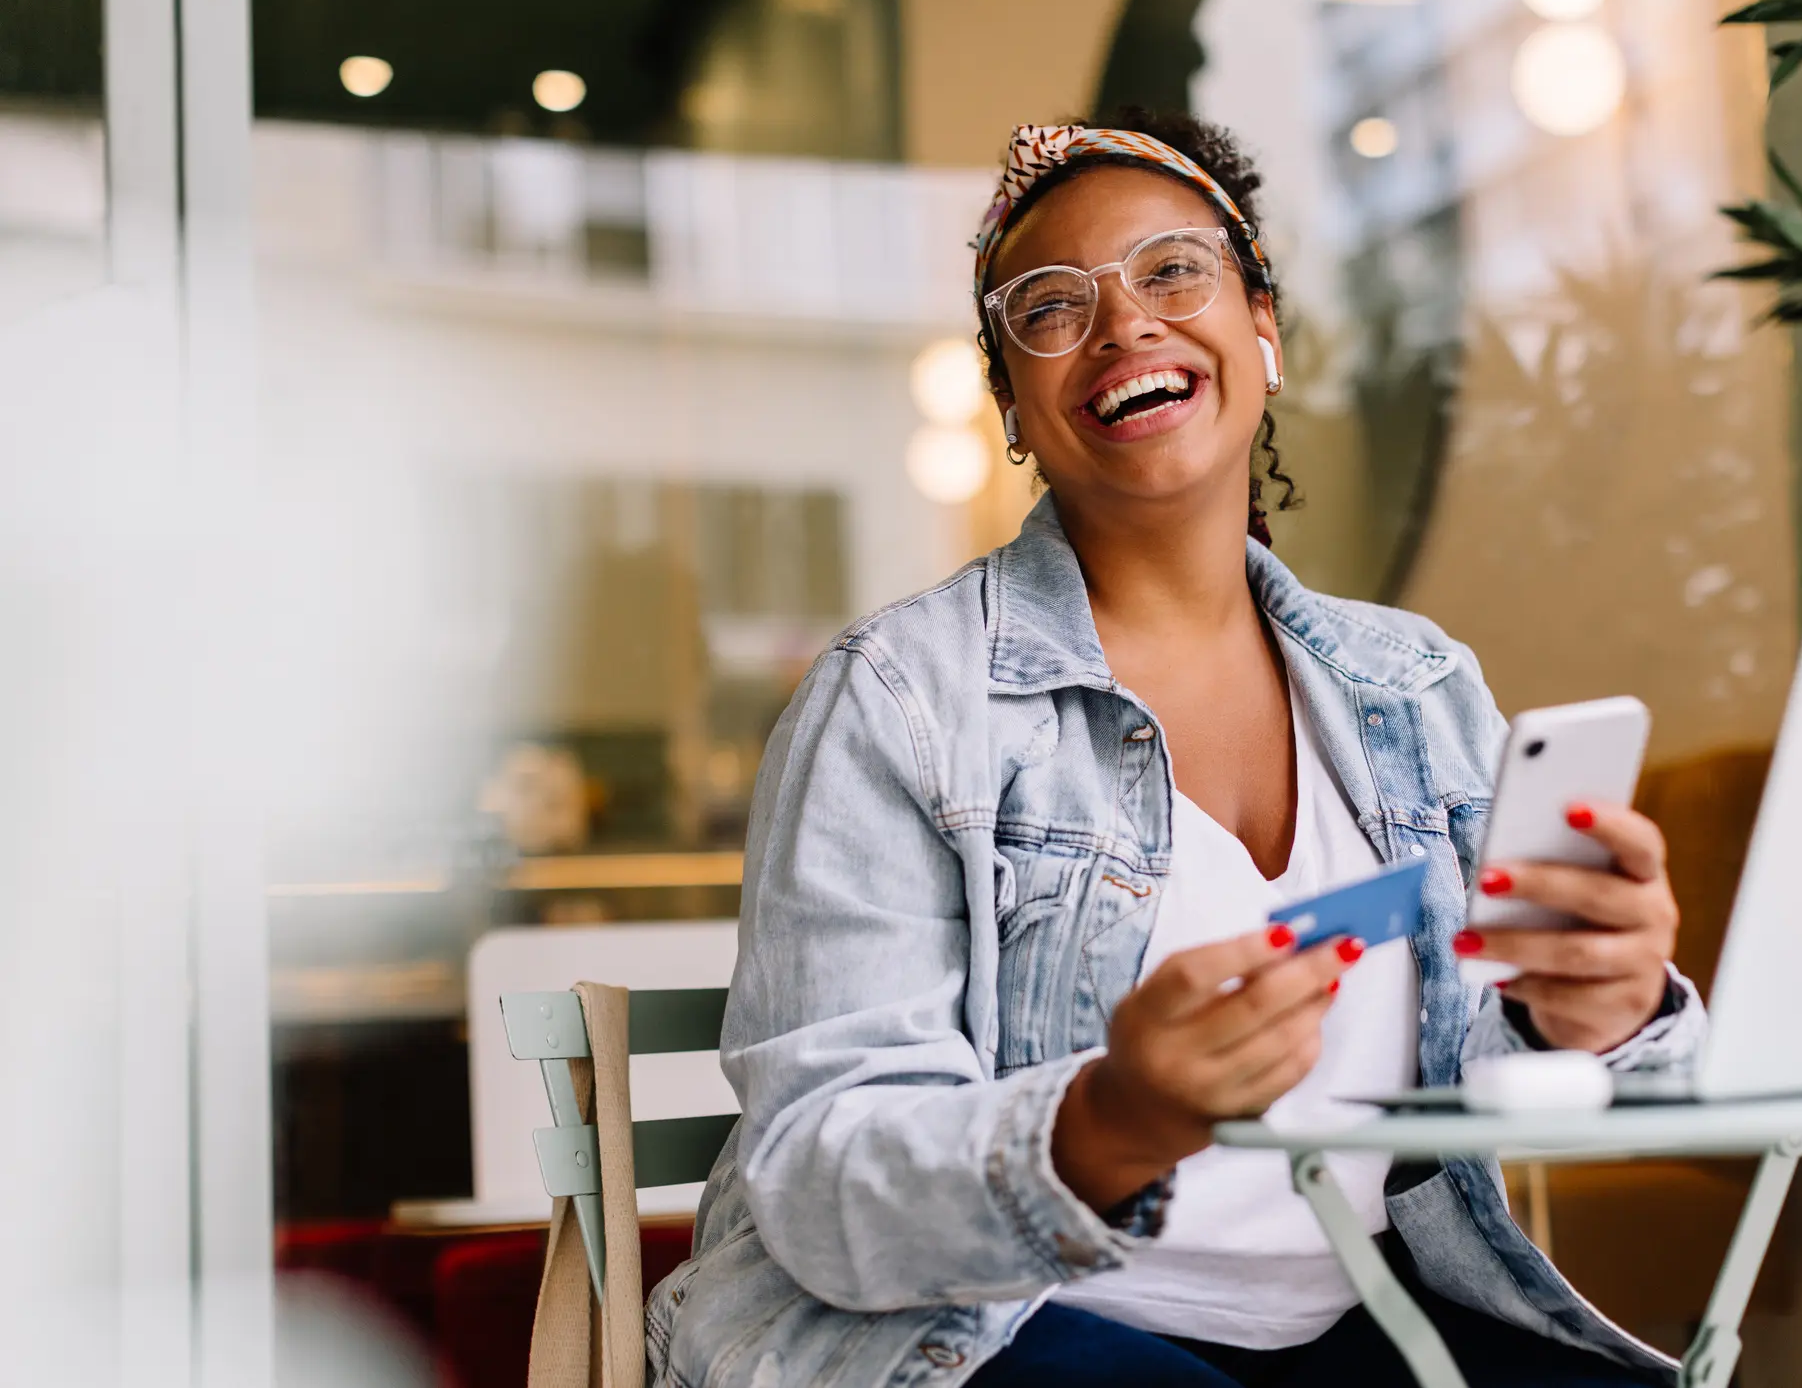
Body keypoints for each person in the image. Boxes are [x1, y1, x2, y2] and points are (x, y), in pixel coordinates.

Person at [648, 110, 1706, 1388]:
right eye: (1049, 307)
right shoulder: (896, 700)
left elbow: (1480, 1088)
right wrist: (1107, 1121)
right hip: (973, 1333)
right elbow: (824, 1176)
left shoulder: (1416, 684)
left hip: (1356, 1318)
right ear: (1013, 409)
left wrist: (1597, 1014)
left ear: (1263, 326)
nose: (1124, 325)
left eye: (1172, 271)